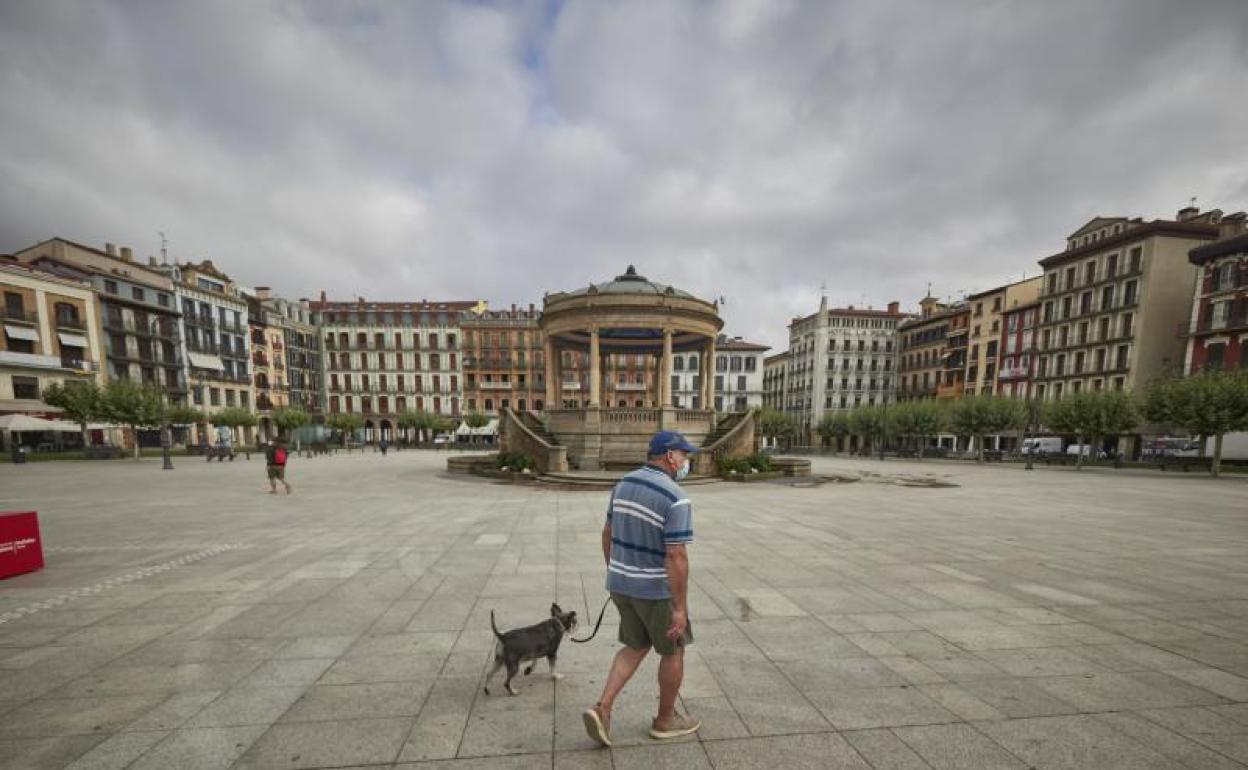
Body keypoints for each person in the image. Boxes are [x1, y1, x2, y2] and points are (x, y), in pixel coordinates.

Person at [583, 430, 700, 747]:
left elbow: (607, 534)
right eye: (684, 455)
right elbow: (676, 555)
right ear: (670, 455)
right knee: (673, 649)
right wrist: (679, 608)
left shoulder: (622, 485)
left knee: (635, 645)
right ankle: (665, 719)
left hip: (621, 583)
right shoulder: (675, 496)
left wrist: (617, 572)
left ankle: (602, 708)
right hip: (654, 590)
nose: (687, 461)